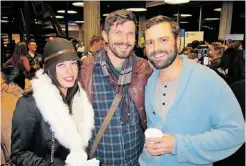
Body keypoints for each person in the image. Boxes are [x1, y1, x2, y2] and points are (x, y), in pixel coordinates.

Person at [139, 15, 245, 166]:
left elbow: (236, 133)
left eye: (163, 40)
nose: (156, 48)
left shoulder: (207, 79)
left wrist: (178, 145)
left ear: (178, 41)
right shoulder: (149, 80)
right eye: (150, 42)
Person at [79, 9, 153, 166]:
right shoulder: (87, 70)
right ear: (105, 36)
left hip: (137, 160)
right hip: (101, 160)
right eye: (118, 33)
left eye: (130, 34)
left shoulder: (143, 69)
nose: (125, 40)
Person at [11, 38, 95, 166]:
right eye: (61, 65)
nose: (70, 71)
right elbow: (19, 154)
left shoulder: (79, 100)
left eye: (73, 63)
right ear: (49, 68)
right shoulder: (30, 104)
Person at [1, 66, 31, 165]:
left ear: (13, 85)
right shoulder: (35, 97)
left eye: (1, 83)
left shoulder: (6, 103)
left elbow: (10, 145)